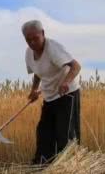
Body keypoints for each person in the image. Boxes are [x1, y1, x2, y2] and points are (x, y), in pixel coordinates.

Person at [23, 20, 82, 165]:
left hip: (67, 94)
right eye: (28, 39)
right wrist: (34, 90)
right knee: (44, 132)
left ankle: (70, 167)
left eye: (35, 38)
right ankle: (42, 165)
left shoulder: (53, 49)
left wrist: (66, 82)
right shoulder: (29, 54)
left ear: (43, 34)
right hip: (49, 98)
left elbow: (76, 66)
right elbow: (38, 73)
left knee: (65, 134)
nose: (32, 43)